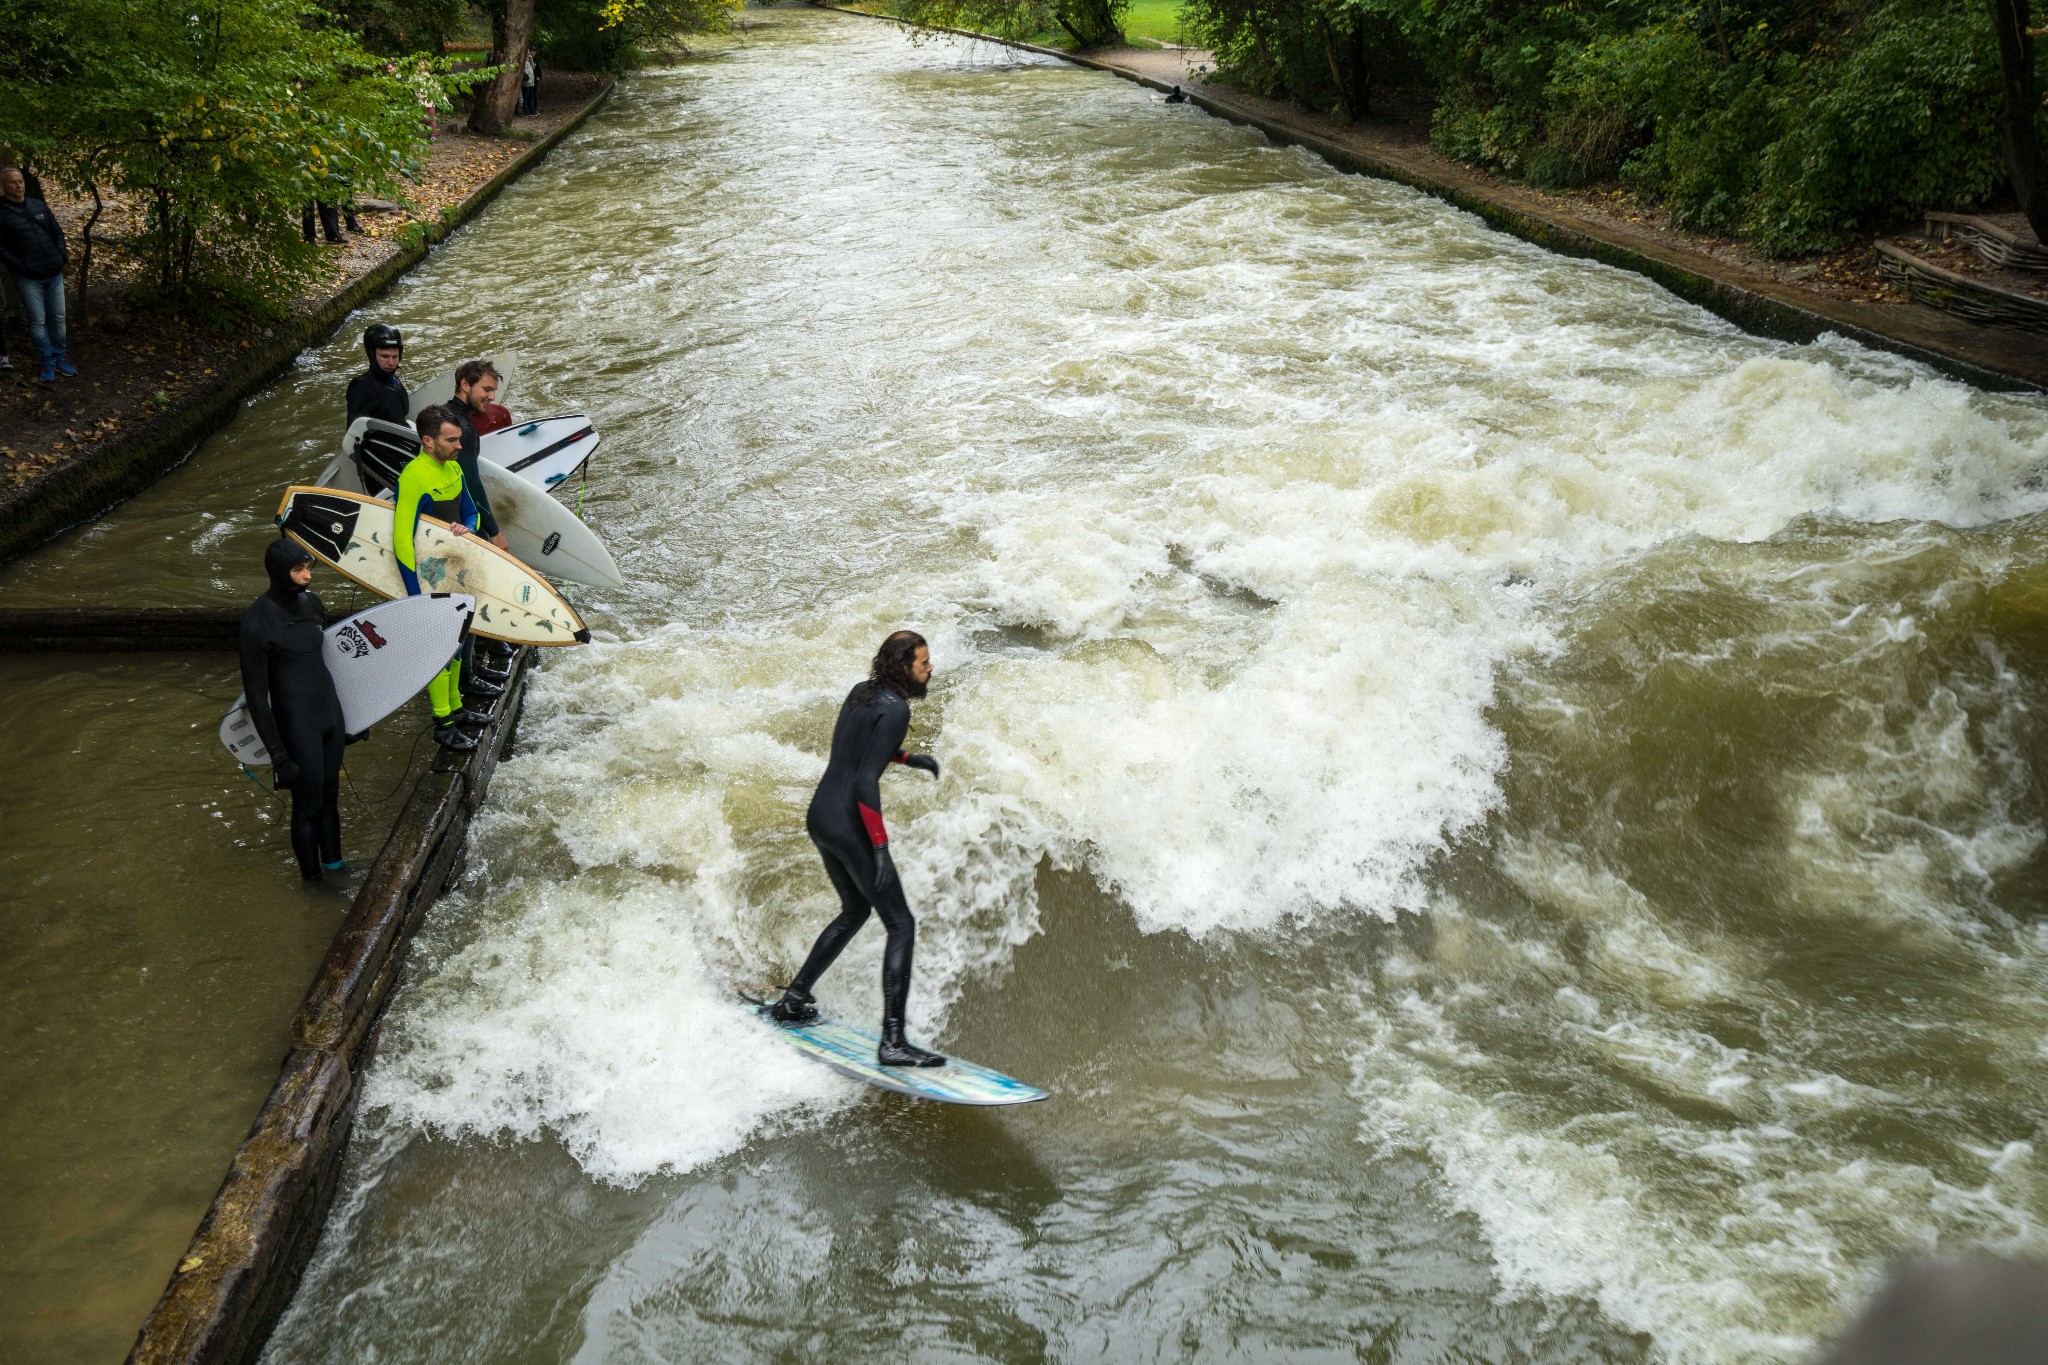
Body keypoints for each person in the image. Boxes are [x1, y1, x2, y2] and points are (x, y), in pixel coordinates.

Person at [771, 631, 947, 1067]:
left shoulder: (861, 693)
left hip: (822, 815)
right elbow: (866, 780)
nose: (929, 669)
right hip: (851, 823)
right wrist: (880, 847)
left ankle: (794, 999)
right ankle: (893, 1042)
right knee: (901, 923)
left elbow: (857, 751)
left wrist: (908, 759)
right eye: (923, 662)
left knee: (854, 910)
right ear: (902, 666)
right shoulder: (898, 708)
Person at [239, 539, 349, 883]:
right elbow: (256, 697)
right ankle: (312, 883)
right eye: (298, 570)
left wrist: (356, 719)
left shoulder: (313, 603)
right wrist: (278, 756)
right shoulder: (256, 623)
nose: (307, 577)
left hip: (329, 714)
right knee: (309, 805)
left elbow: (331, 663)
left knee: (331, 796)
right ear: (278, 572)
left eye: (308, 568)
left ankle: (336, 867)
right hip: (296, 722)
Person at [396, 405, 498, 751]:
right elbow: (401, 538)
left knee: (455, 649)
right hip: (427, 580)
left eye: (459, 439)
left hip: (456, 572)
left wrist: (465, 528)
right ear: (428, 441)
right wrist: (415, 595)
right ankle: (443, 724)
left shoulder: (453, 469)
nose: (459, 446)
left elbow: (472, 514)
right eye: (451, 440)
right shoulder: (414, 476)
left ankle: (457, 708)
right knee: (438, 652)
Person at [448, 360, 517, 678]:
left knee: (464, 597)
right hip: (463, 524)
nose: (491, 397)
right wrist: (493, 531)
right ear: (465, 384)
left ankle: (475, 663)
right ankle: (468, 676)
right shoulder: (460, 428)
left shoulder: (442, 417)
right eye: (486, 389)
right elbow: (471, 484)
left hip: (447, 521)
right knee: (469, 596)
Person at [0, 165, 71, 383]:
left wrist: (61, 256)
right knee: (38, 321)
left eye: (20, 181)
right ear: (3, 186)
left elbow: (56, 231)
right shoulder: (1, 213)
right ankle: (46, 360)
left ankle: (60, 357)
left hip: (53, 271)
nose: (19, 185)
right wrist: (21, 267)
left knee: (58, 318)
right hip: (28, 277)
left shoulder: (38, 206)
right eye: (13, 182)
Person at [345, 322, 408, 427]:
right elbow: (355, 433)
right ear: (372, 355)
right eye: (384, 356)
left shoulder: (394, 381)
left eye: (395, 357)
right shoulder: (362, 387)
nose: (391, 363)